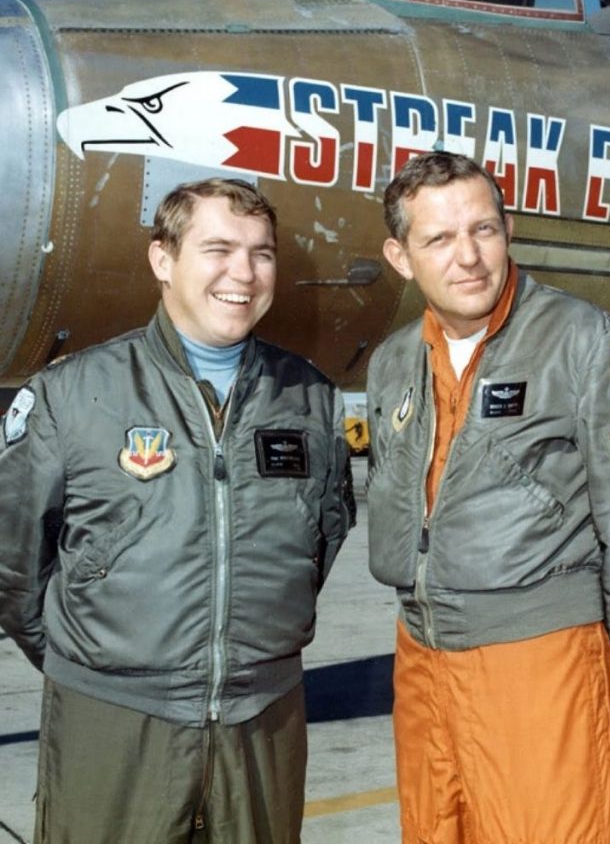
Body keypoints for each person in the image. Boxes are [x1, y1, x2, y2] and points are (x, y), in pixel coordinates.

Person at [0, 178, 353, 843]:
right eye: (218, 249)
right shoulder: (72, 395)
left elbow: (321, 543)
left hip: (263, 721)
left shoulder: (309, 400)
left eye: (262, 253)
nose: (243, 273)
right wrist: (98, 665)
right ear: (162, 260)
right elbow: (13, 563)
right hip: (115, 725)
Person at [366, 151, 610, 844]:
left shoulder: (579, 339)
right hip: (422, 659)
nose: (469, 258)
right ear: (401, 256)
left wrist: (594, 642)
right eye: (439, 240)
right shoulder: (395, 361)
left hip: (540, 663)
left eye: (483, 230)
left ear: (508, 229)